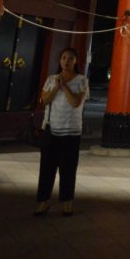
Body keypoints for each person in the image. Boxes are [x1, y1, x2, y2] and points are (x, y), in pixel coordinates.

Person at [34, 47, 89, 217]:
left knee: (68, 169)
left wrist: (64, 86)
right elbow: (44, 100)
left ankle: (67, 202)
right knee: (46, 169)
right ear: (60, 61)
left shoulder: (82, 80)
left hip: (71, 132)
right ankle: (43, 201)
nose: (66, 61)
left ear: (76, 62)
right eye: (64, 58)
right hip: (51, 129)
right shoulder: (51, 79)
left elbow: (75, 103)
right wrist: (56, 86)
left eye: (70, 58)